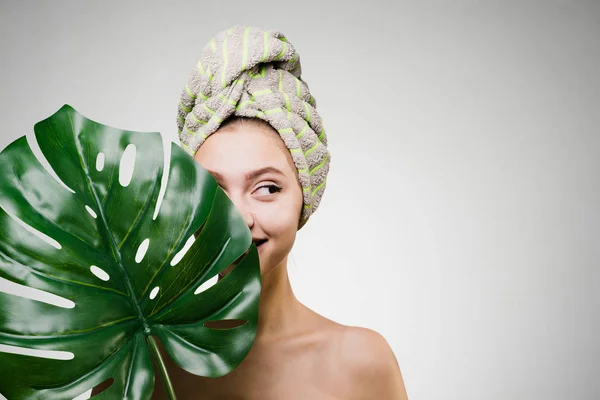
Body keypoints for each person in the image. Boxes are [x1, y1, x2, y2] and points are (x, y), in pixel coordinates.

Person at [95, 25, 408, 399]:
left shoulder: (361, 363)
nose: (239, 217)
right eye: (214, 190)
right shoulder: (137, 362)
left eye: (267, 188)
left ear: (304, 199)